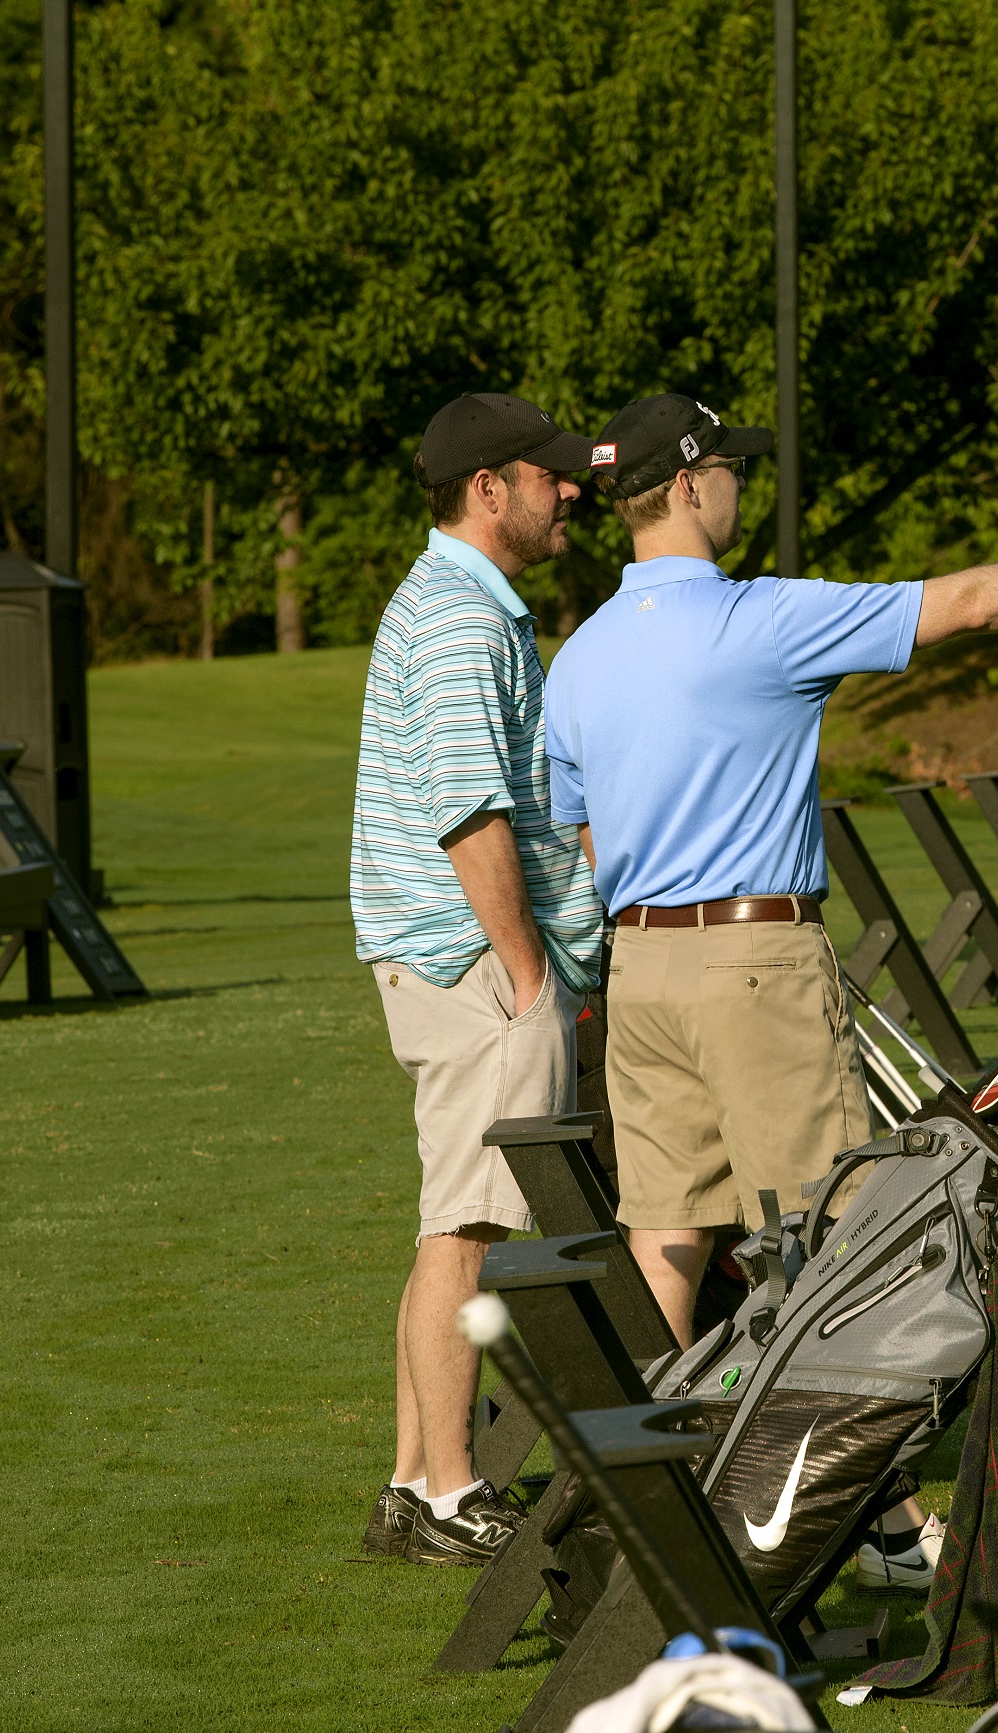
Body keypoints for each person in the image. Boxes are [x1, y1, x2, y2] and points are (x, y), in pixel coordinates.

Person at [545, 392, 998, 1587]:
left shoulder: (583, 651)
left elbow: (592, 841)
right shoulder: (752, 618)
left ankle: (638, 1513)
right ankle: (874, 1519)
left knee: (666, 1241)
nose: (743, 491)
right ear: (694, 480)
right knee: (842, 1247)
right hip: (751, 958)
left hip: (639, 961)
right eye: (732, 472)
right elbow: (965, 603)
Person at [351, 392, 605, 1565]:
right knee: (470, 1231)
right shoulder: (459, 621)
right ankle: (452, 1488)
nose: (570, 491)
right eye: (547, 475)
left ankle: (414, 1479)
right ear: (486, 489)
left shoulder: (466, 608)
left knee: (449, 1222)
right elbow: (471, 813)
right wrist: (527, 973)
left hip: (457, 962)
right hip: (475, 965)